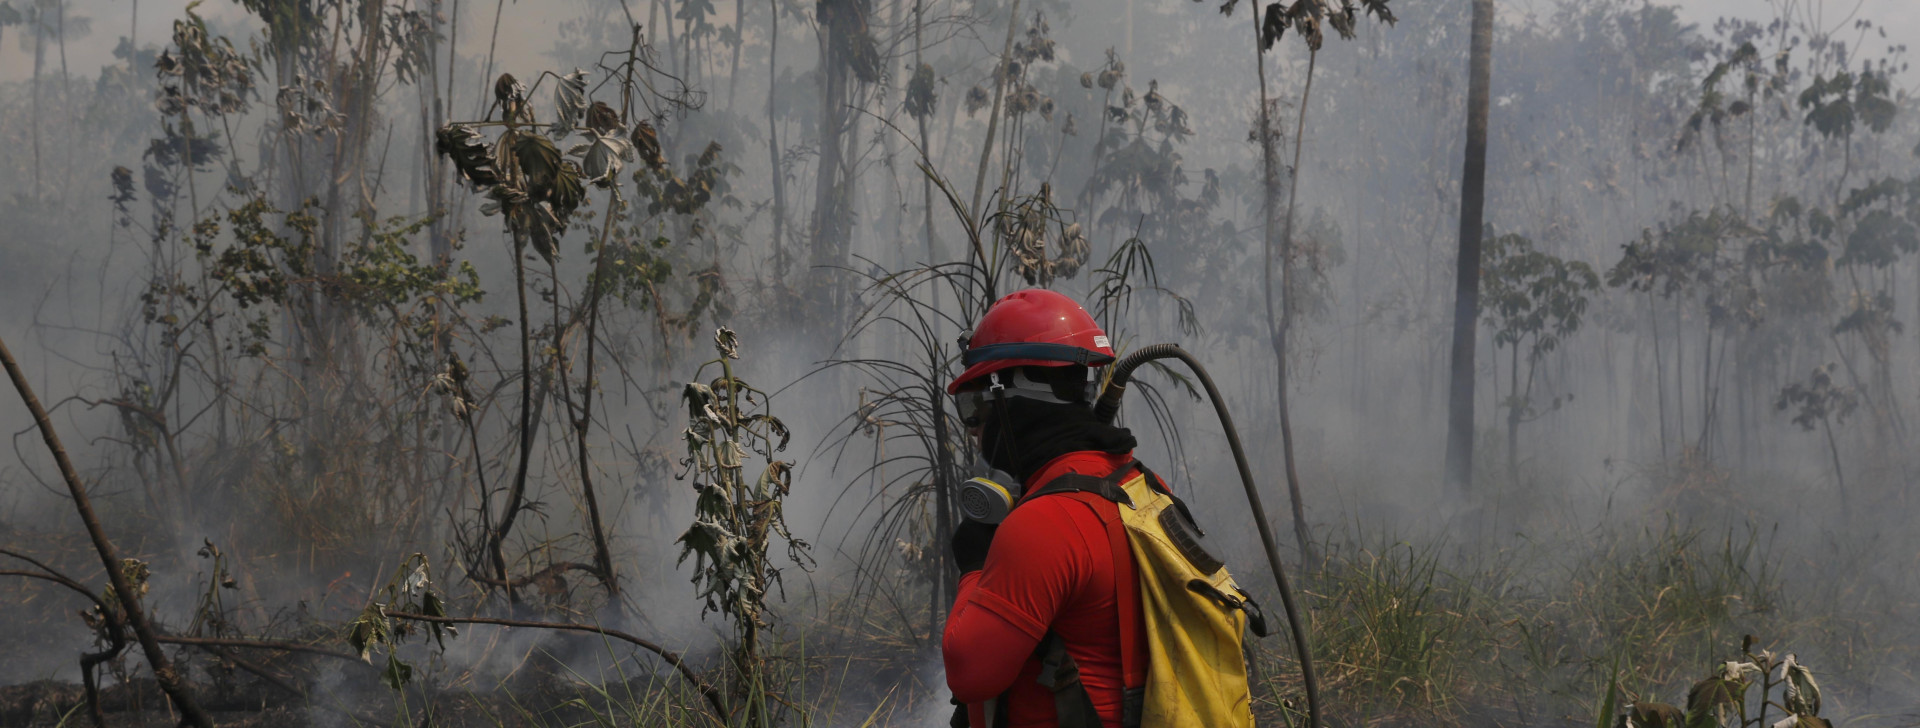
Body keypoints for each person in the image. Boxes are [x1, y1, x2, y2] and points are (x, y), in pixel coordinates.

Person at [941, 288, 1152, 728]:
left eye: (975, 408)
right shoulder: (1141, 486)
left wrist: (975, 565)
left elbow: (969, 675)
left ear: (1008, 400)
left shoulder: (1045, 524)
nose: (975, 431)